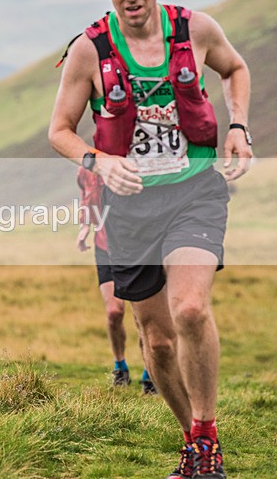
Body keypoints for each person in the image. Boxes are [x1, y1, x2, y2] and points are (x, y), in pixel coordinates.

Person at [49, 0, 251, 477]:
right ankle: (190, 435)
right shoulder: (89, 51)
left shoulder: (196, 30)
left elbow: (235, 69)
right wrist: (100, 161)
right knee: (157, 340)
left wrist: (237, 126)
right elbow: (60, 132)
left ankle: (207, 439)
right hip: (129, 207)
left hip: (194, 192)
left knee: (189, 309)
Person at [77, 167, 157, 395]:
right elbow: (88, 196)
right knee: (114, 312)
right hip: (105, 247)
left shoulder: (133, 164)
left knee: (142, 316)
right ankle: (120, 367)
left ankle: (150, 371)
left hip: (137, 247)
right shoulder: (88, 169)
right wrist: (85, 226)